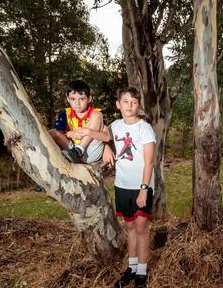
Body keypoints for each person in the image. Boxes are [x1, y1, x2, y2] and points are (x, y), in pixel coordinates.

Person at [108, 87, 156, 288]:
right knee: (129, 227)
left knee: (141, 228)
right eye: (125, 101)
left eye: (134, 102)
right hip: (122, 185)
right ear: (118, 104)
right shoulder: (114, 126)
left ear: (139, 105)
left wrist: (144, 189)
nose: (129, 105)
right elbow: (104, 138)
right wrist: (104, 148)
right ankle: (132, 267)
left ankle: (142, 274)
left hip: (141, 186)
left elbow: (149, 162)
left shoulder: (144, 128)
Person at [49, 79, 105, 164]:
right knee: (52, 132)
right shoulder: (65, 113)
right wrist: (71, 133)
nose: (77, 103)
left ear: (89, 99)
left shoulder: (95, 113)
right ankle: (53, 159)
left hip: (90, 150)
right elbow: (59, 135)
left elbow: (105, 135)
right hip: (71, 149)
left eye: (82, 99)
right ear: (68, 99)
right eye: (73, 99)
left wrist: (107, 148)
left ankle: (79, 150)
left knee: (97, 115)